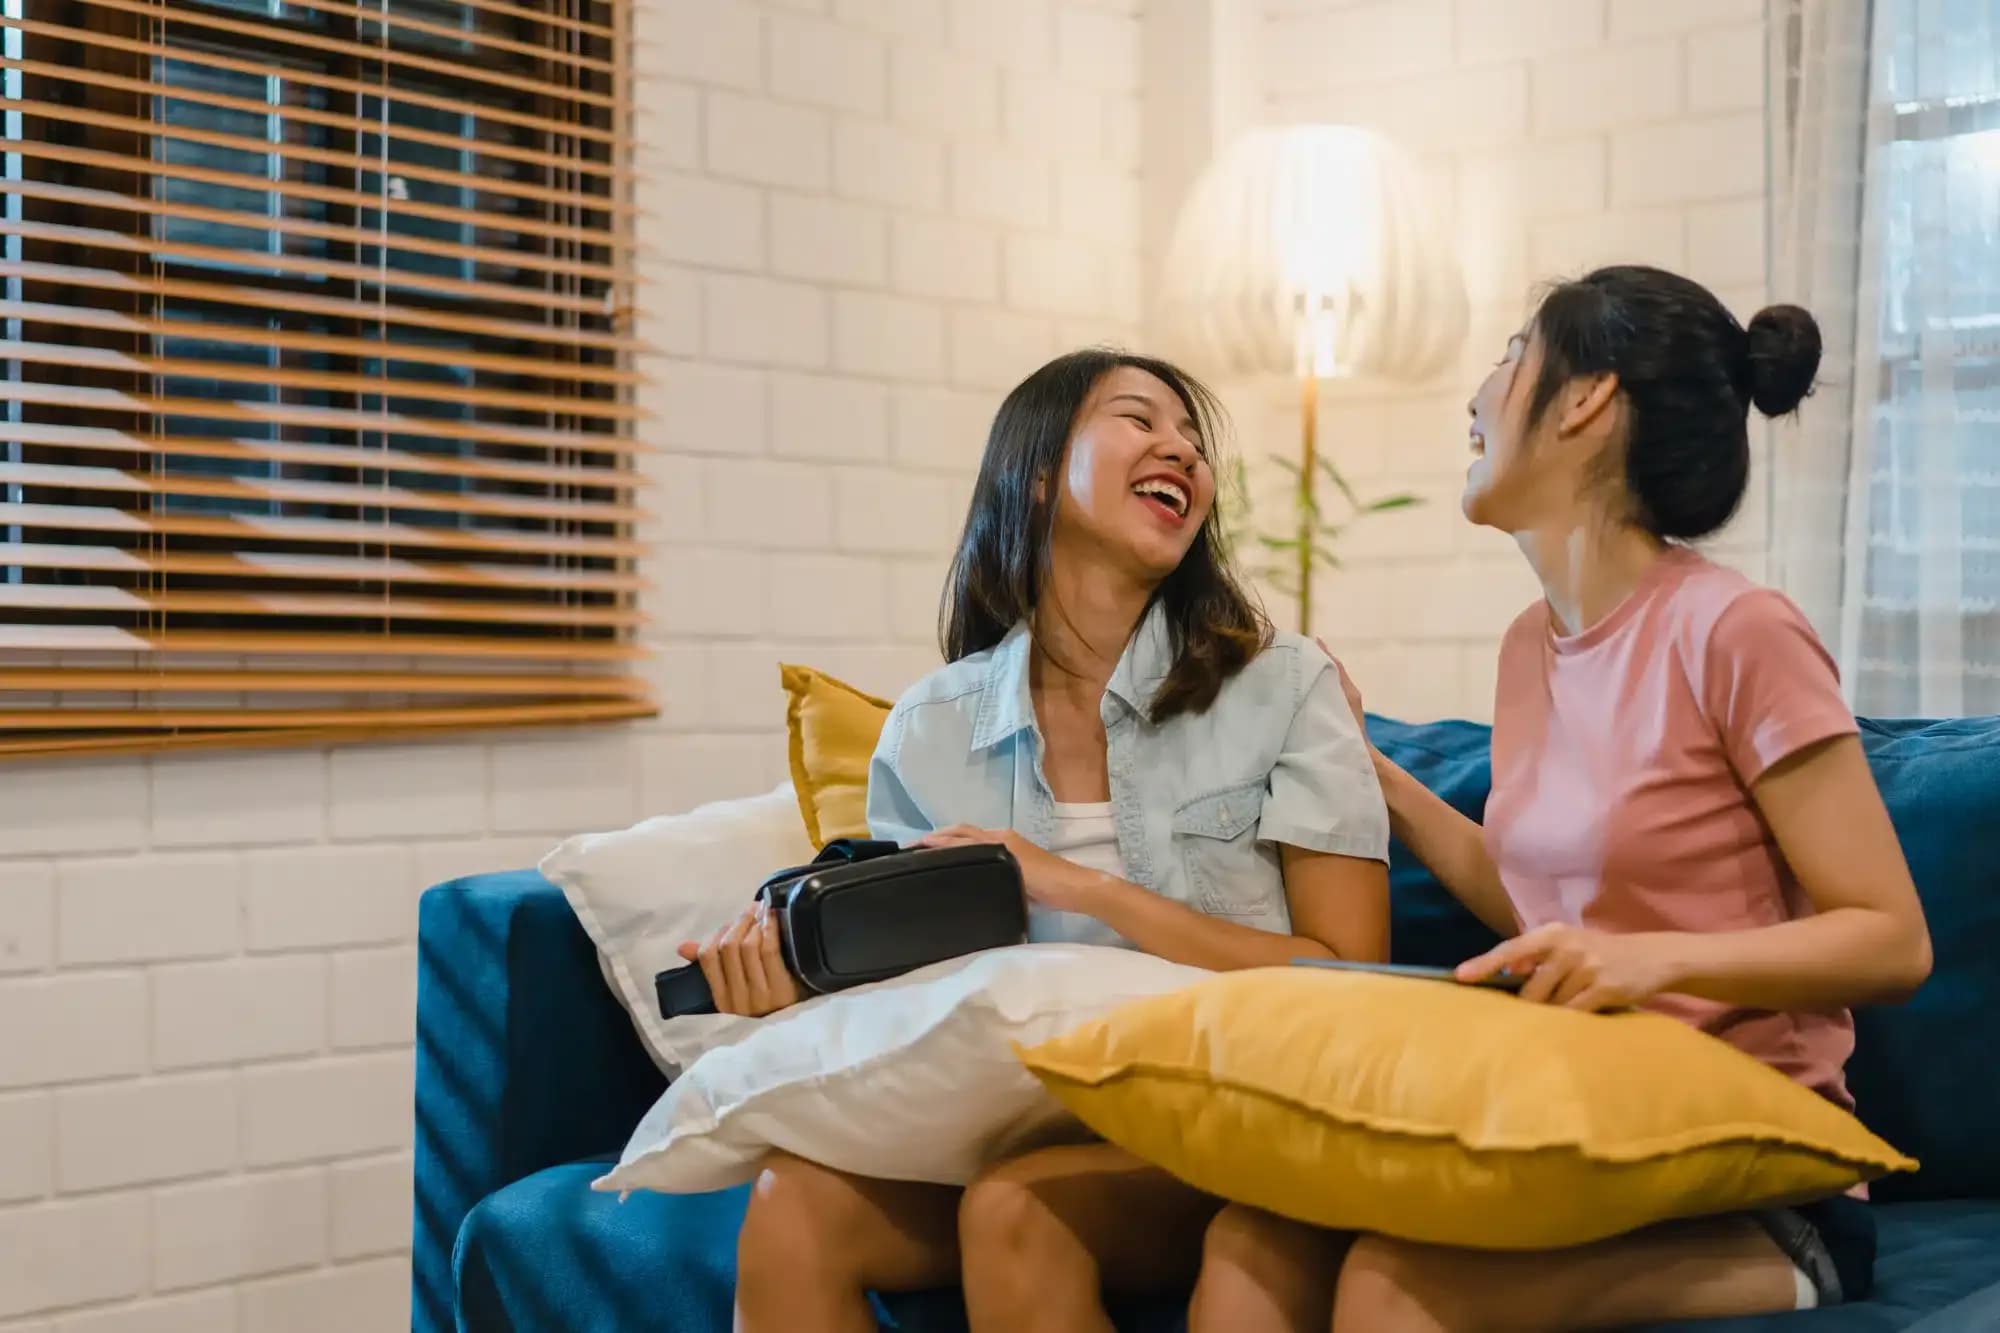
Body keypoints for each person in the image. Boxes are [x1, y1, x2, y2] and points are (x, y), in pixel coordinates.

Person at [1187, 266, 1934, 1333]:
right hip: (1580, 1121)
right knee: (1247, 1242)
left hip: (1754, 1180)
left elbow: (1890, 939)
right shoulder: (1527, 648)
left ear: (1584, 399)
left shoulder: (1736, 630)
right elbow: (1544, 905)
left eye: (1509, 354)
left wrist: (1648, 957)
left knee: (1387, 1289)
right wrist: (1370, 768)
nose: (1479, 394)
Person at [680, 347, 1394, 1333]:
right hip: (1000, 1124)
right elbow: (912, 990)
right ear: (1039, 473)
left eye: (1191, 437)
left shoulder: (1282, 685)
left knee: (1018, 1205)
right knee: (788, 1207)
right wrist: (787, 972)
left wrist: (1080, 888)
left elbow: (1353, 973)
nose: (1178, 449)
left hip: (1229, 1129)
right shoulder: (930, 730)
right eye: (1139, 420)